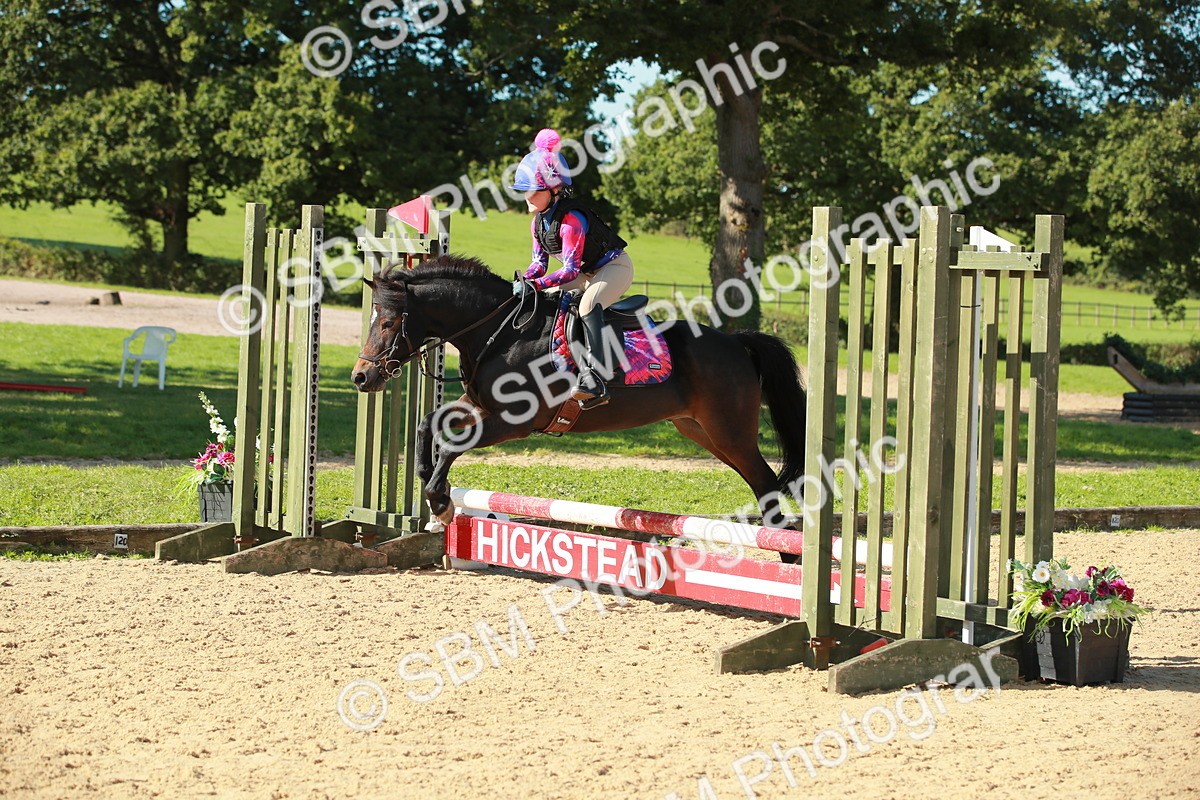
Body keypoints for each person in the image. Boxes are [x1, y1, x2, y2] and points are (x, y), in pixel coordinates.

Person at [510, 128, 633, 409]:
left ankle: (596, 378)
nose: (526, 196)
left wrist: (537, 284)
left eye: (532, 190)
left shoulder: (571, 220)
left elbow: (567, 271)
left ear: (554, 190)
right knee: (544, 299)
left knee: (588, 306)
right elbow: (539, 264)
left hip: (613, 267)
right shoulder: (538, 222)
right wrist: (525, 281)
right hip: (583, 273)